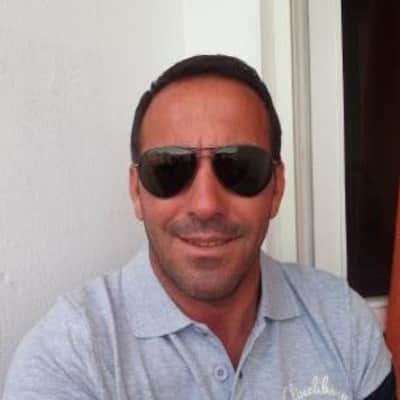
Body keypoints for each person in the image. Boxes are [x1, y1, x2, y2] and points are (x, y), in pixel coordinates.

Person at [2, 55, 396, 399]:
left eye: (239, 167)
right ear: (137, 192)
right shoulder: (70, 356)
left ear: (276, 188)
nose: (206, 205)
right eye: (169, 169)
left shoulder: (342, 320)